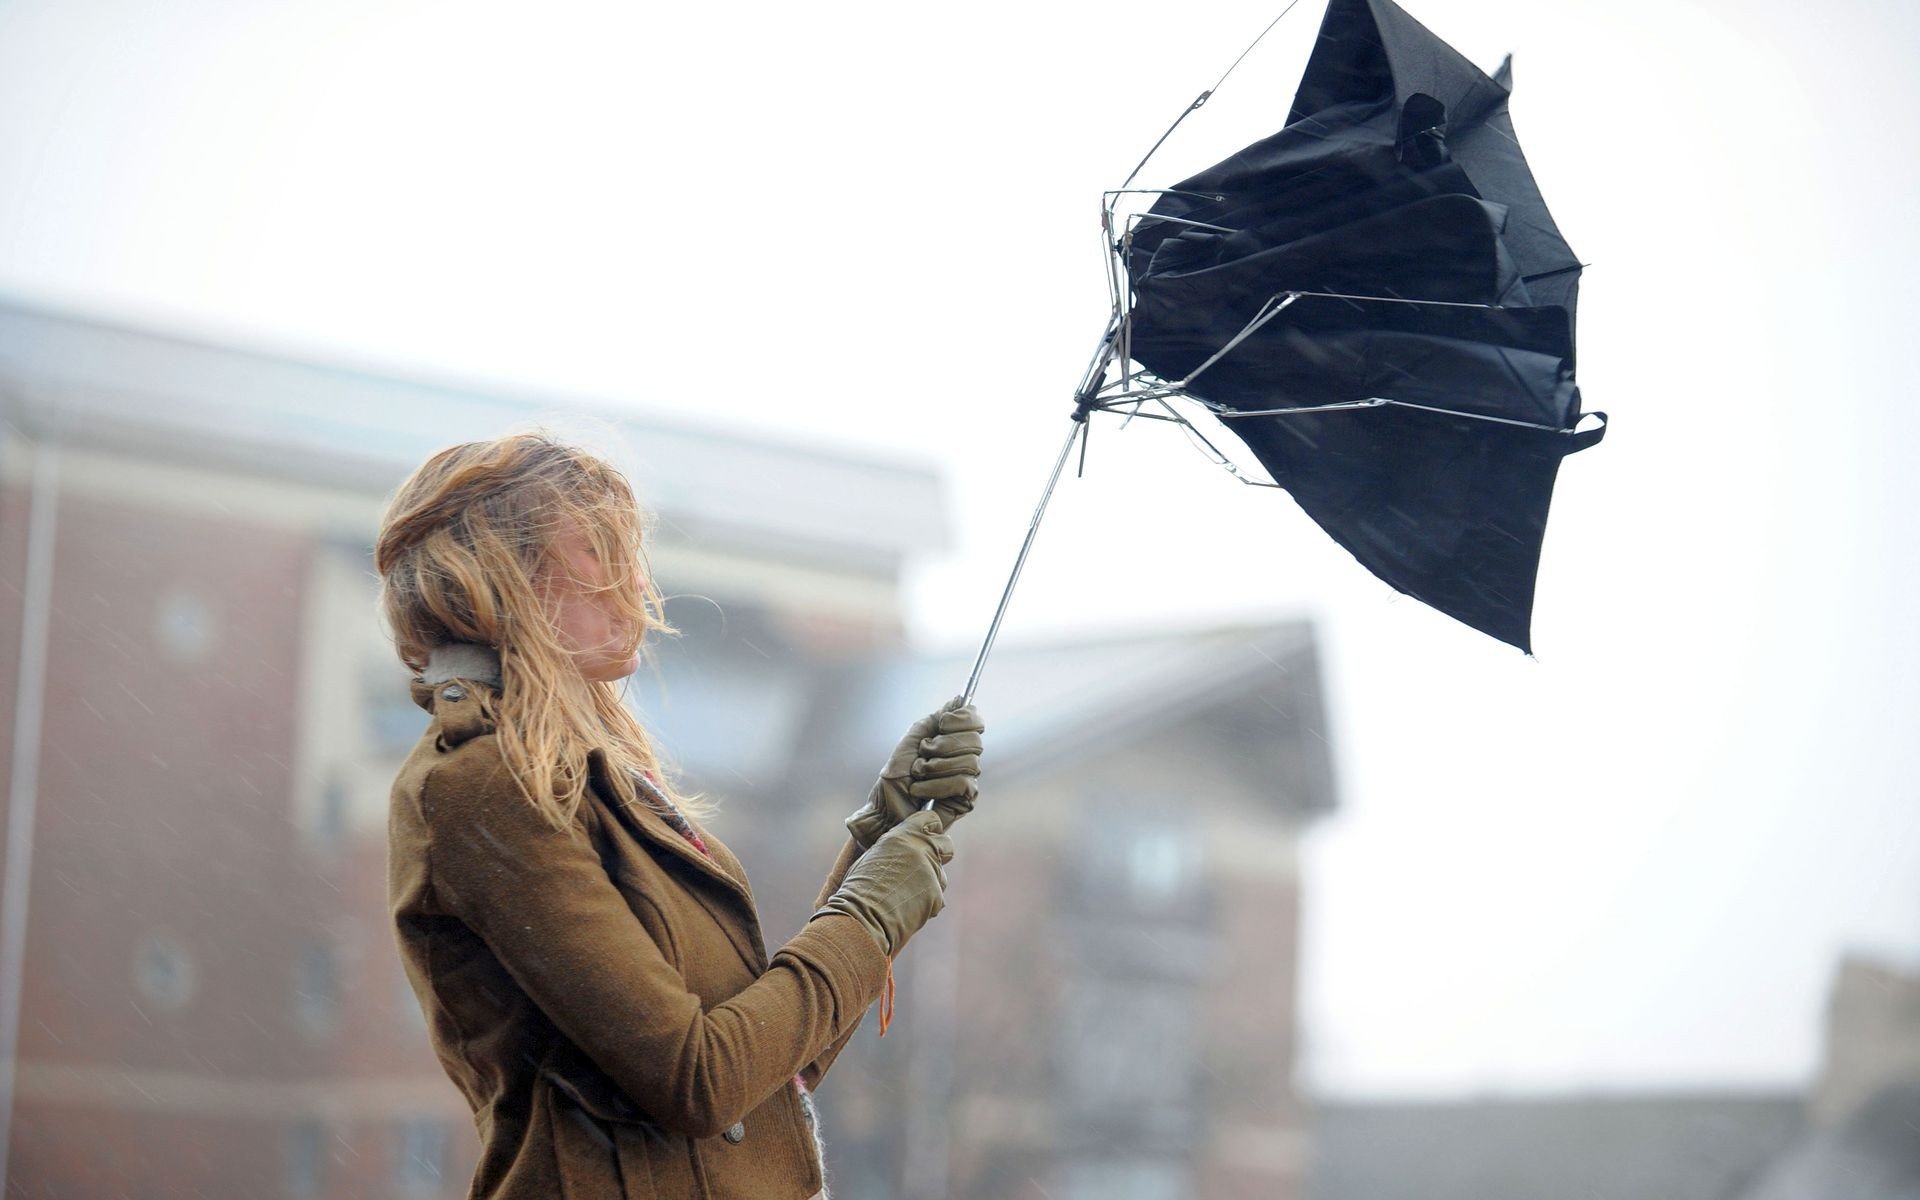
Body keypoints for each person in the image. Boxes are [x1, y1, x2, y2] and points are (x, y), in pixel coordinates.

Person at [375, 431, 985, 1199]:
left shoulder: (594, 781)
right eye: (598, 548)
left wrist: (875, 843)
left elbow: (769, 1074)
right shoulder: (480, 787)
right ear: (503, 575)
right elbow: (699, 1080)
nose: (634, 578)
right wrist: (866, 921)